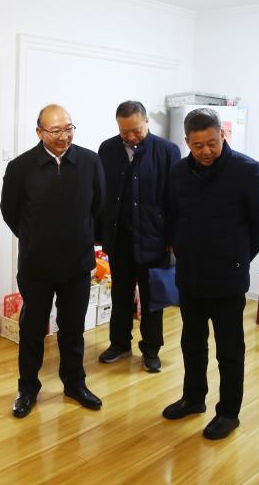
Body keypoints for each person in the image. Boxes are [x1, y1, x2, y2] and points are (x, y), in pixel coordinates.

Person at [164, 107, 259, 440]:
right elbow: (171, 215)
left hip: (228, 278)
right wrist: (179, 247)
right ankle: (193, 398)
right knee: (191, 342)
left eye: (212, 143)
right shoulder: (179, 173)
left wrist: (240, 255)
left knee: (229, 349)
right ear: (187, 142)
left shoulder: (247, 171)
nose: (206, 151)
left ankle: (228, 412)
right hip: (190, 276)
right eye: (198, 145)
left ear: (222, 135)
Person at [0, 104, 105, 418]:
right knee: (32, 330)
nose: (64, 136)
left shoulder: (90, 161)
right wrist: (34, 238)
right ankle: (27, 389)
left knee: (72, 329)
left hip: (77, 263)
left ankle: (74, 383)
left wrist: (81, 236)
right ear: (39, 132)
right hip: (36, 266)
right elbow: (10, 211)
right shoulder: (21, 167)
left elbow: (98, 205)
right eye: (56, 130)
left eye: (68, 128)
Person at [97, 100, 180, 372]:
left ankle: (151, 349)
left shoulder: (167, 151)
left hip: (153, 239)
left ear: (147, 122)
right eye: (125, 132)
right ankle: (119, 344)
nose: (131, 137)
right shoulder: (107, 149)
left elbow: (174, 200)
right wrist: (99, 233)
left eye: (136, 130)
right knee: (120, 295)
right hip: (119, 239)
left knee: (152, 298)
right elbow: (102, 194)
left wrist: (172, 240)